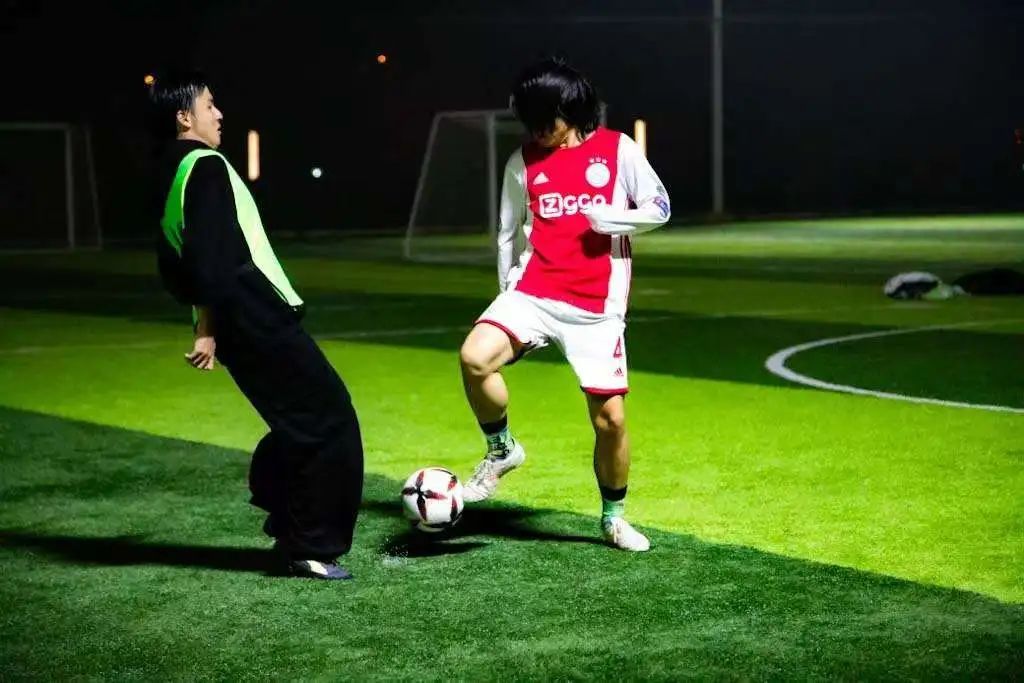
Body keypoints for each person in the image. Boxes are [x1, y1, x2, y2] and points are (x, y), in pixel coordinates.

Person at [148, 71, 363, 580]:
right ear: (184, 117)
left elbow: (176, 263)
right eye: (209, 105)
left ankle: (287, 519)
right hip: (252, 317)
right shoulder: (205, 166)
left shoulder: (172, 172)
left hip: (239, 320)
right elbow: (212, 257)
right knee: (330, 421)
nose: (219, 114)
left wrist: (206, 321)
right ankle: (309, 546)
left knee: (301, 423)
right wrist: (207, 327)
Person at [459, 58, 671, 551]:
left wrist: (614, 219)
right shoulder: (522, 161)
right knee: (475, 357)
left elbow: (659, 207)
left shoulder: (617, 149)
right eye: (529, 120)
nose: (537, 130)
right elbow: (507, 233)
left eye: (545, 119)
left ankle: (613, 518)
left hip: (596, 308)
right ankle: (501, 450)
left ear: (572, 110)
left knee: (610, 421)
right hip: (532, 293)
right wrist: (506, 294)